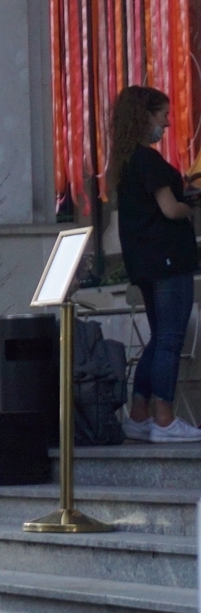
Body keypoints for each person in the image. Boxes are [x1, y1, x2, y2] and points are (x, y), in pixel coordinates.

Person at [106, 83, 200, 442]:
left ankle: (140, 412)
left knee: (159, 336)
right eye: (163, 115)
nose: (168, 124)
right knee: (170, 338)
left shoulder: (126, 160)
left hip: (144, 261)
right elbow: (169, 208)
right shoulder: (149, 160)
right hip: (167, 260)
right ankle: (164, 418)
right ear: (145, 116)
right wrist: (190, 203)